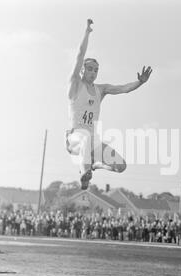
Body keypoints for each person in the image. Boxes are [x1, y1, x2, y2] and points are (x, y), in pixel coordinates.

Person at [66, 19, 153, 189]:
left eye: (96, 70)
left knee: (120, 166)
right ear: (83, 70)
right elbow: (79, 55)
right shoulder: (75, 85)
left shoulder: (101, 89)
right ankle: (84, 174)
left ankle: (94, 166)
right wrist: (86, 33)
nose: (93, 72)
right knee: (84, 137)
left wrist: (140, 83)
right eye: (89, 68)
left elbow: (123, 89)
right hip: (74, 139)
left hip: (92, 142)